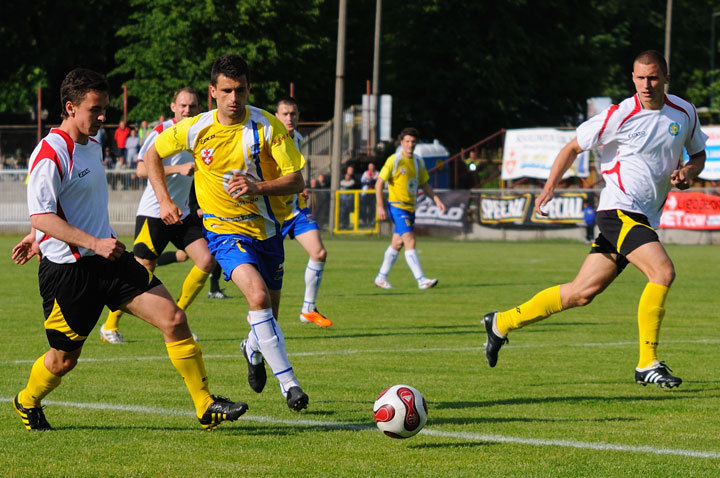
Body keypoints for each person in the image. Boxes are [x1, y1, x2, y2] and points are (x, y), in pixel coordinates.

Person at [11, 68, 247, 431]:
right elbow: (42, 214)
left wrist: (41, 234)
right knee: (63, 361)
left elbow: (58, 206)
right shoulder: (50, 152)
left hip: (111, 260)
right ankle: (27, 401)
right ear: (70, 107)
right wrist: (52, 235)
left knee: (174, 319)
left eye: (105, 108)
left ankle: (205, 405)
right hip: (69, 273)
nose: (103, 117)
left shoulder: (92, 143)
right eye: (96, 109)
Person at [482, 50, 707, 389]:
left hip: (643, 215)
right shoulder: (619, 114)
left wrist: (689, 170)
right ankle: (647, 362)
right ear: (632, 78)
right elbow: (572, 148)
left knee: (580, 293)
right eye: (640, 78)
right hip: (618, 209)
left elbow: (699, 153)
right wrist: (548, 188)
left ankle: (501, 322)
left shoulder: (684, 112)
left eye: (653, 78)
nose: (647, 85)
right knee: (663, 271)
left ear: (666, 78)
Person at [144, 54, 310, 411]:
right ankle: (290, 385)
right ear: (213, 92)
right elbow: (152, 155)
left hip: (267, 231)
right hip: (223, 231)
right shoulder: (196, 127)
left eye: (241, 90)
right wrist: (163, 200)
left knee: (269, 319)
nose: (234, 98)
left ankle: (251, 348)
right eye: (227, 91)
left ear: (249, 89)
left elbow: (297, 180)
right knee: (258, 297)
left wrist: (258, 188)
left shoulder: (268, 126)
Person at [98, 87, 216, 344]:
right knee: (141, 271)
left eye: (192, 106)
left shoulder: (202, 132)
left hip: (182, 213)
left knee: (206, 260)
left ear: (199, 108)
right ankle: (109, 325)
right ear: (173, 107)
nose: (187, 110)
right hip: (154, 212)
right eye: (182, 106)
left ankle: (178, 317)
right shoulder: (162, 131)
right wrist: (178, 168)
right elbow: (141, 169)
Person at [275, 96, 332, 327]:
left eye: (294, 114)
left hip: (295, 210)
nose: (290, 118)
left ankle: (308, 308)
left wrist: (302, 186)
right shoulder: (268, 140)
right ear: (276, 116)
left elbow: (294, 173)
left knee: (319, 252)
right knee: (267, 270)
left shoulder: (297, 138)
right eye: (285, 114)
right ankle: (258, 314)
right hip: (272, 214)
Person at [374, 127, 446, 290]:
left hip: (410, 208)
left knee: (397, 243)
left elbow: (424, 184)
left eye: (413, 142)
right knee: (410, 240)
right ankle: (421, 280)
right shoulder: (394, 159)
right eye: (407, 141)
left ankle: (381, 277)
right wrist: (380, 206)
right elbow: (379, 183)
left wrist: (437, 200)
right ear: (402, 143)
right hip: (397, 207)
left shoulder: (418, 161)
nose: (410, 144)